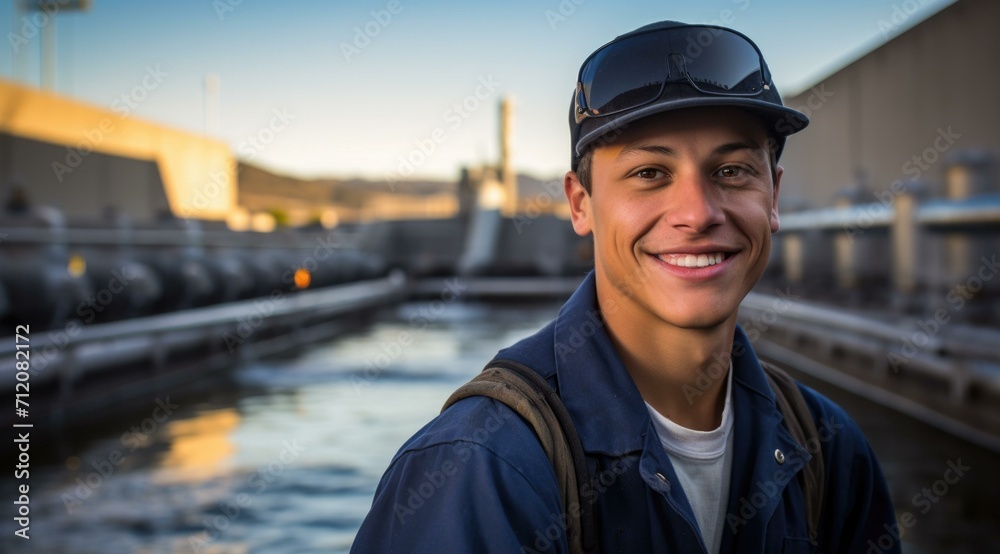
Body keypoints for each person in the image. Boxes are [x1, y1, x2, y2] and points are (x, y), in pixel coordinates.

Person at [352, 20, 898, 553]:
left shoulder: (829, 449)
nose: (697, 213)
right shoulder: (481, 469)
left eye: (731, 171)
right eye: (649, 174)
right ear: (580, 203)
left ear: (773, 197)